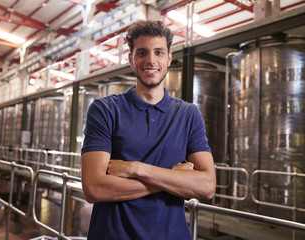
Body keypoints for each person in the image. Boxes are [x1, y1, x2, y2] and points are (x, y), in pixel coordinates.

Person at [81, 19, 216, 240]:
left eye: (159, 52)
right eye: (142, 53)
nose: (151, 60)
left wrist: (136, 169)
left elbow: (207, 186)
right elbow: (94, 188)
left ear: (169, 57)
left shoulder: (188, 114)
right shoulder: (105, 110)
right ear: (131, 59)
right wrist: (173, 178)